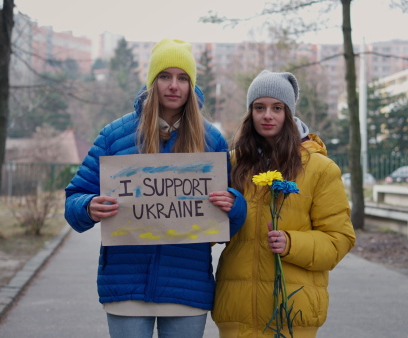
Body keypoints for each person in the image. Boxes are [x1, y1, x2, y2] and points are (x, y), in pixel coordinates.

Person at [64, 38, 246, 338]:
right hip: (126, 286)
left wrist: (234, 204)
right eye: (165, 76)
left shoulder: (211, 140)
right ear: (152, 82)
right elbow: (74, 202)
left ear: (191, 85)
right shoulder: (114, 136)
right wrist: (87, 206)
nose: (173, 85)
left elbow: (233, 222)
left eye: (182, 78)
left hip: (186, 288)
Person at [211, 70, 356, 338]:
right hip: (237, 313)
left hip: (292, 314)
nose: (267, 115)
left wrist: (292, 243)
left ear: (289, 113)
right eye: (259, 107)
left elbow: (340, 239)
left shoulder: (320, 169)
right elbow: (206, 232)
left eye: (277, 108)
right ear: (250, 113)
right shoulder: (231, 164)